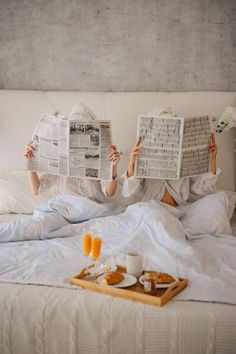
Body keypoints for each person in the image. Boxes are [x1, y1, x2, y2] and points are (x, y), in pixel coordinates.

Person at [122, 107, 220, 207]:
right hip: (150, 210)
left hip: (177, 212)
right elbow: (128, 191)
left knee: (218, 201)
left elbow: (205, 188)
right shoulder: (143, 155)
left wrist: (212, 159)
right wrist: (132, 163)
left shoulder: (184, 156)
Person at [23, 103, 120, 201]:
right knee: (41, 216)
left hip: (91, 208)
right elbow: (36, 190)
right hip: (66, 209)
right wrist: (31, 163)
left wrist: (114, 167)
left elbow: (109, 193)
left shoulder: (100, 157)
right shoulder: (60, 157)